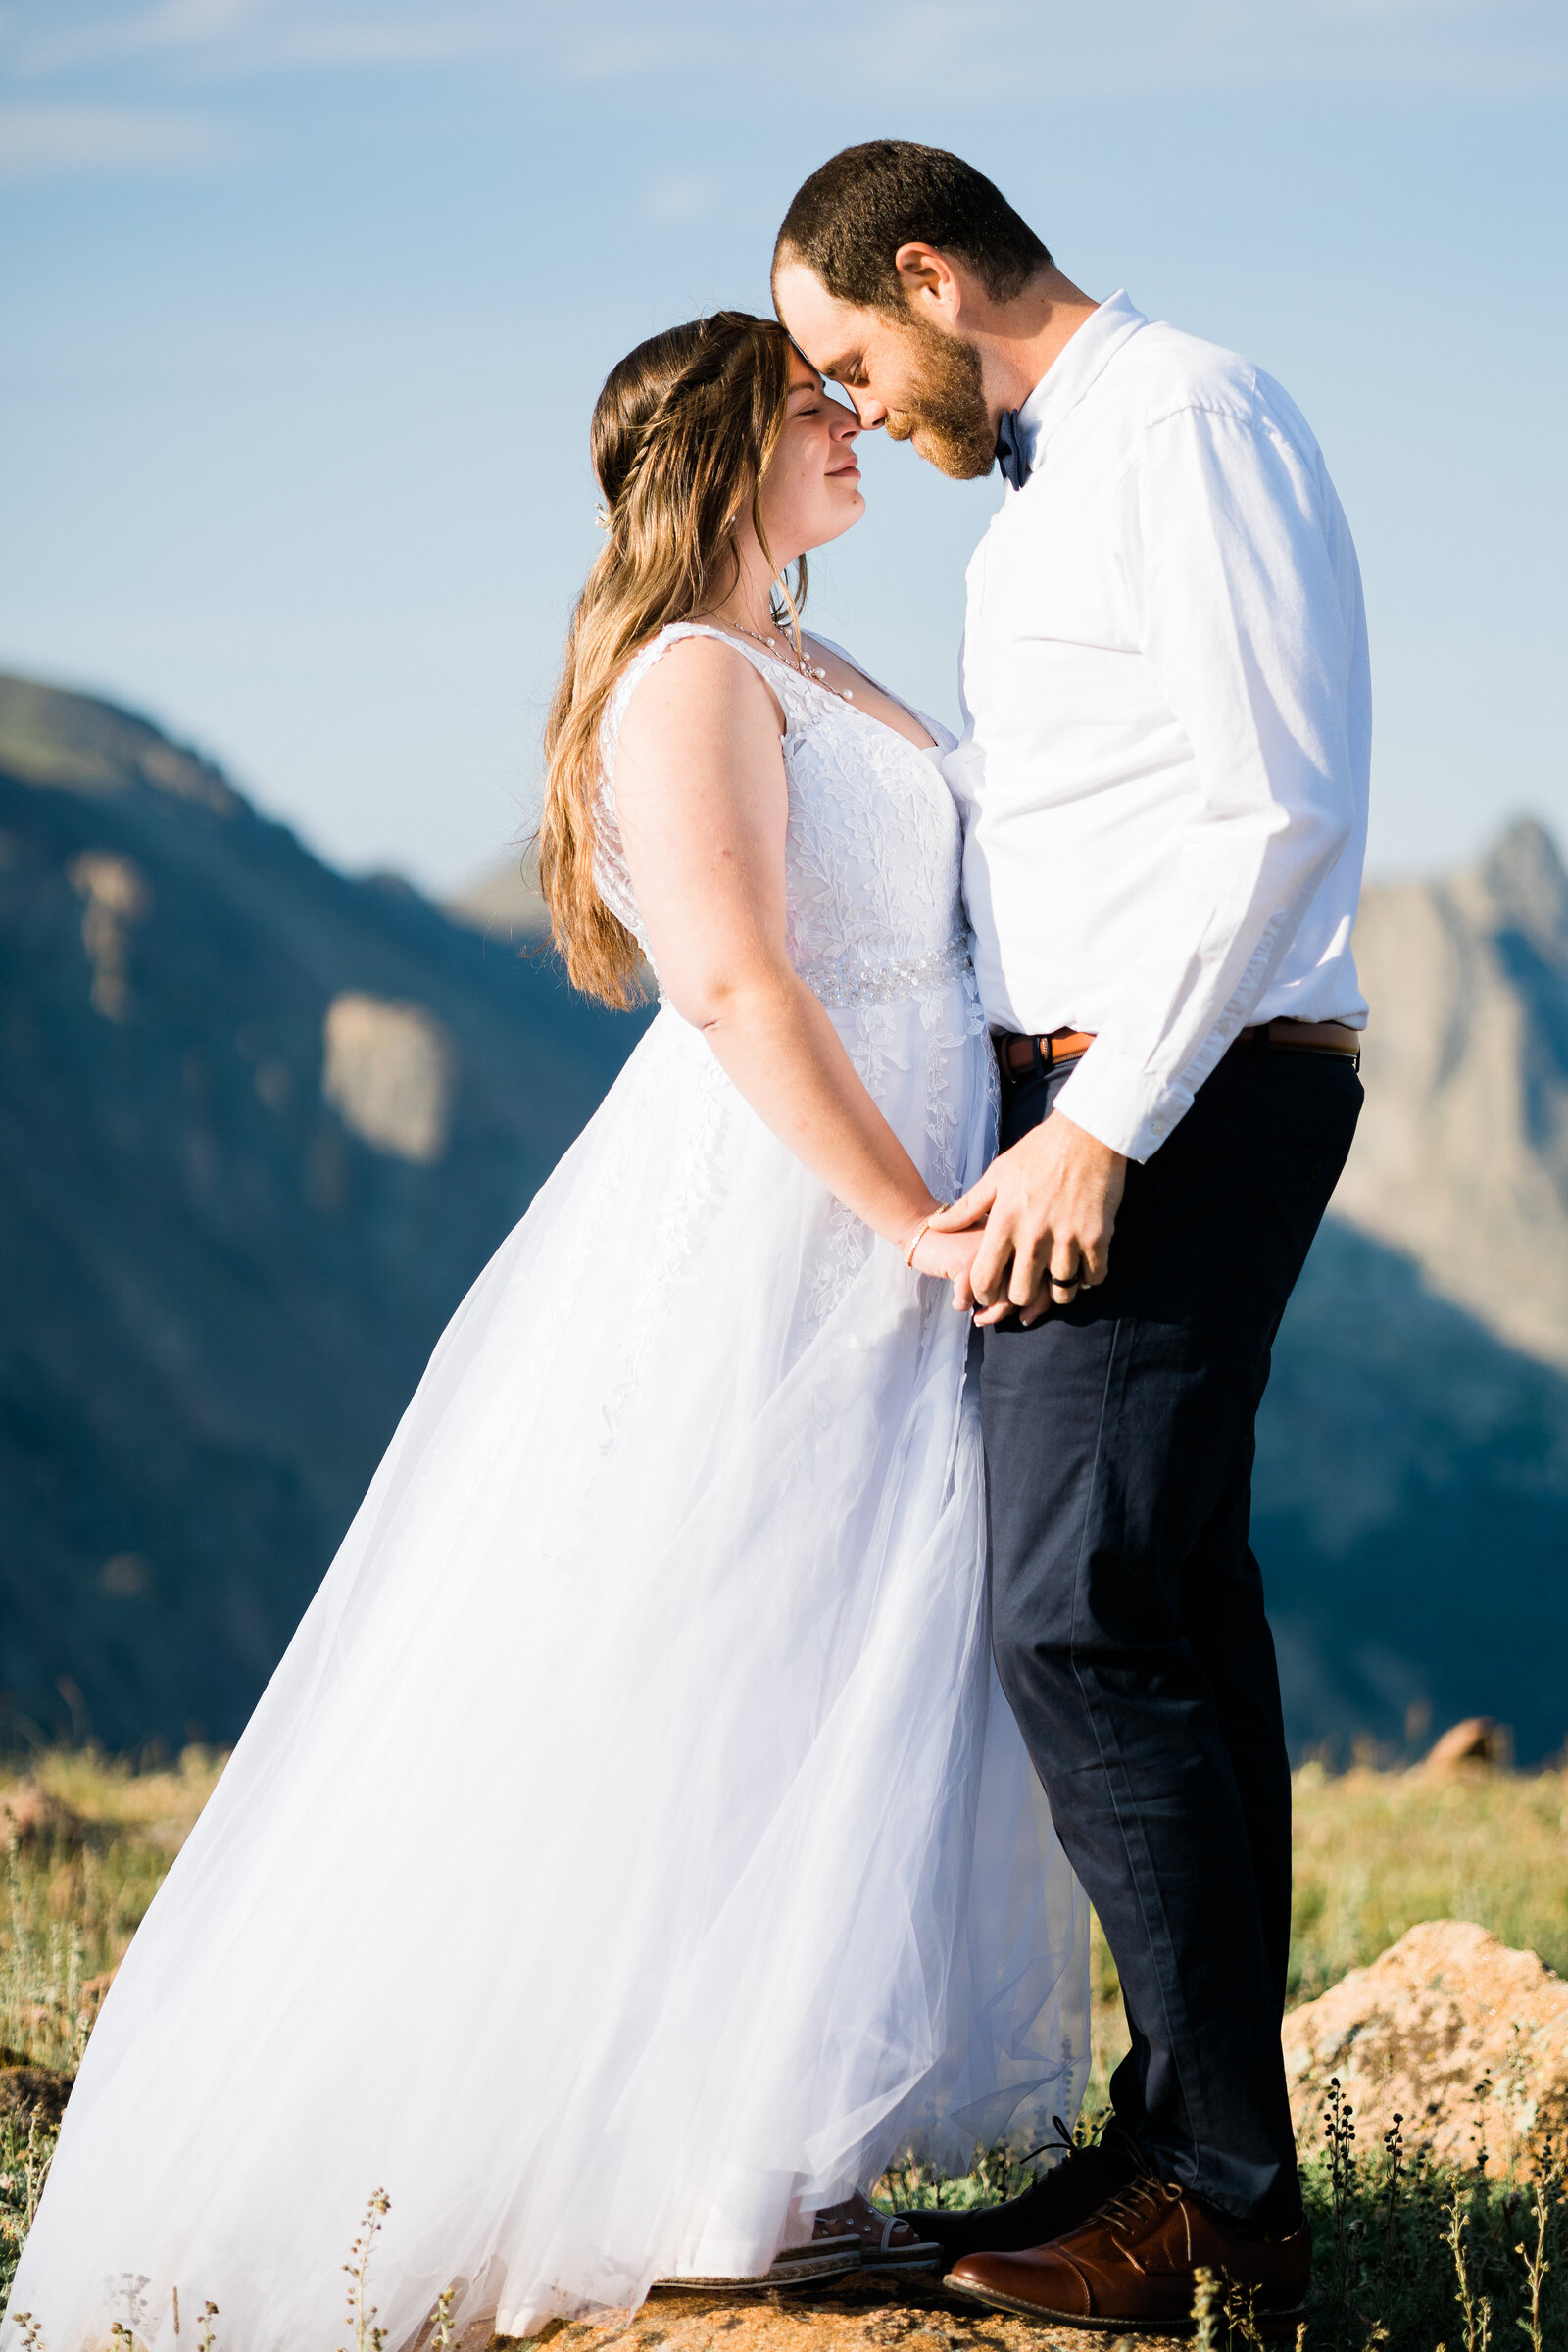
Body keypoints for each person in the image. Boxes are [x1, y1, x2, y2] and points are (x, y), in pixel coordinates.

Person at [4, 311, 1090, 2352]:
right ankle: (699, 2186)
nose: (851, 419)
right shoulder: (688, 678)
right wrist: (911, 1226)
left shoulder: (804, 657)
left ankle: (769, 2153)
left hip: (896, 1192)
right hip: (797, 1216)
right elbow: (737, 988)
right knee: (737, 1635)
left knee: (849, 1644)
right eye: (809, 403)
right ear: (716, 450)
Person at [775, 142, 1369, 2331]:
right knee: (1162, 1610)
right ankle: (1180, 2143)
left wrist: (1100, 1122)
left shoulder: (1178, 417)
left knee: (1077, 1609)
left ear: (927, 274)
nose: (857, 406)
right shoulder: (1060, 479)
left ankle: (1217, 2194)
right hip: (1093, 1092)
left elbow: (1277, 799)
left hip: (1172, 1092)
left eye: (852, 353)